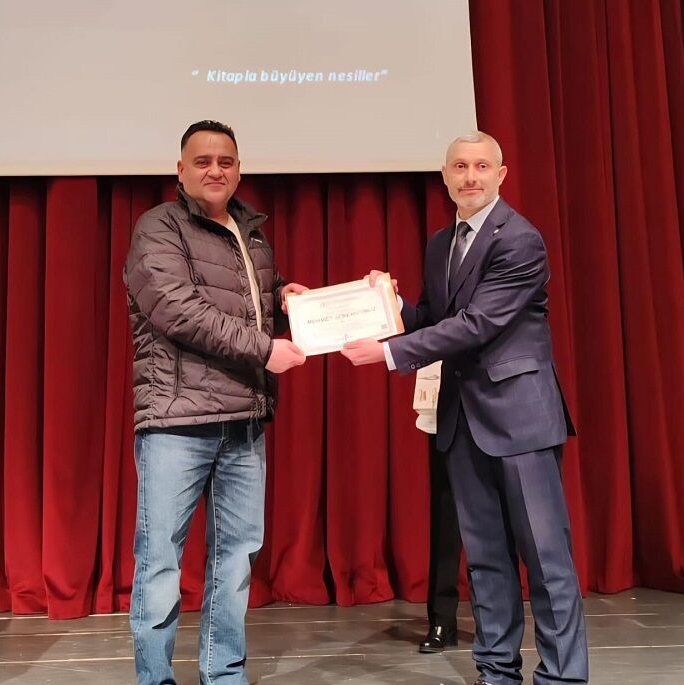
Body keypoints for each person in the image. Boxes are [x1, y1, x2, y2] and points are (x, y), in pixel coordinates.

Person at [342, 132, 588, 684]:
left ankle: (563, 678)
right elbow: (434, 319)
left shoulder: (520, 239)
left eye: (481, 166)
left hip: (521, 419)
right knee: (485, 559)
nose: (470, 176)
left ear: (501, 174)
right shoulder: (440, 244)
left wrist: (390, 352)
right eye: (460, 166)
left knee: (546, 559)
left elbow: (479, 324)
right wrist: (387, 303)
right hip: (462, 421)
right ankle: (496, 672)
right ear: (445, 176)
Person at [124, 120, 307, 685]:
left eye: (225, 161)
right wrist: (266, 348)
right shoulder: (158, 227)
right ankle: (155, 679)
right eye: (202, 161)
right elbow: (179, 311)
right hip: (176, 422)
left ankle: (223, 674)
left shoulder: (251, 234)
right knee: (160, 561)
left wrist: (285, 298)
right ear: (180, 170)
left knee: (235, 560)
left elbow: (247, 306)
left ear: (239, 170)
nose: (215, 170)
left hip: (243, 422)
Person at [413, 363, 463, 654]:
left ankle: (495, 620)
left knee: (497, 520)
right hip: (445, 393)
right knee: (446, 516)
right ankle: (442, 620)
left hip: (495, 401)